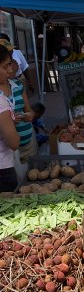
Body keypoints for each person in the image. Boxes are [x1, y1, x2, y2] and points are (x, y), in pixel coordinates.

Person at [0, 44, 20, 191]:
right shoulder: (1, 102)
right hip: (3, 171)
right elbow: (13, 143)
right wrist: (12, 124)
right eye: (6, 66)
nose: (10, 69)